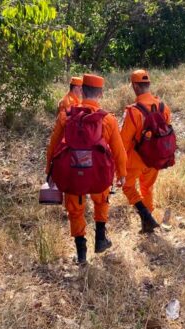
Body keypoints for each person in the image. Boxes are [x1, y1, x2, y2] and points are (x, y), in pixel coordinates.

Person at [45, 74, 127, 264]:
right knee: (102, 200)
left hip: (74, 174)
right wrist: (122, 174)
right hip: (98, 176)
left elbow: (53, 146)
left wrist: (49, 172)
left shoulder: (66, 116)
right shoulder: (107, 119)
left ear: (81, 91)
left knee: (75, 210)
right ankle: (100, 239)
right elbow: (119, 150)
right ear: (101, 93)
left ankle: (81, 254)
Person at [120, 70, 174, 233]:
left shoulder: (133, 111)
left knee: (127, 187)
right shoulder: (164, 107)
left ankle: (146, 216)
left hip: (136, 159)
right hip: (156, 158)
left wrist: (120, 164)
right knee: (147, 187)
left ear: (135, 86)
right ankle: (148, 224)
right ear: (148, 85)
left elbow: (124, 140)